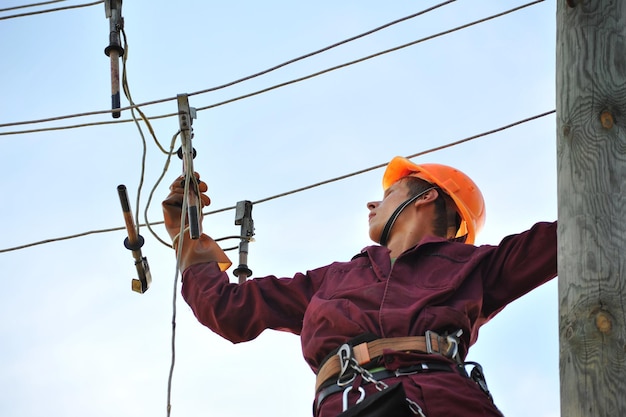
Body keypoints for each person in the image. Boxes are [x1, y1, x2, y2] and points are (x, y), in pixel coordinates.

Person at [162, 156, 557, 417]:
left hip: (446, 402)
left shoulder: (476, 266)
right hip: (350, 404)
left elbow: (574, 232)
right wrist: (187, 237)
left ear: (428, 197)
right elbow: (231, 309)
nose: (372, 205)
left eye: (388, 195)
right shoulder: (334, 279)